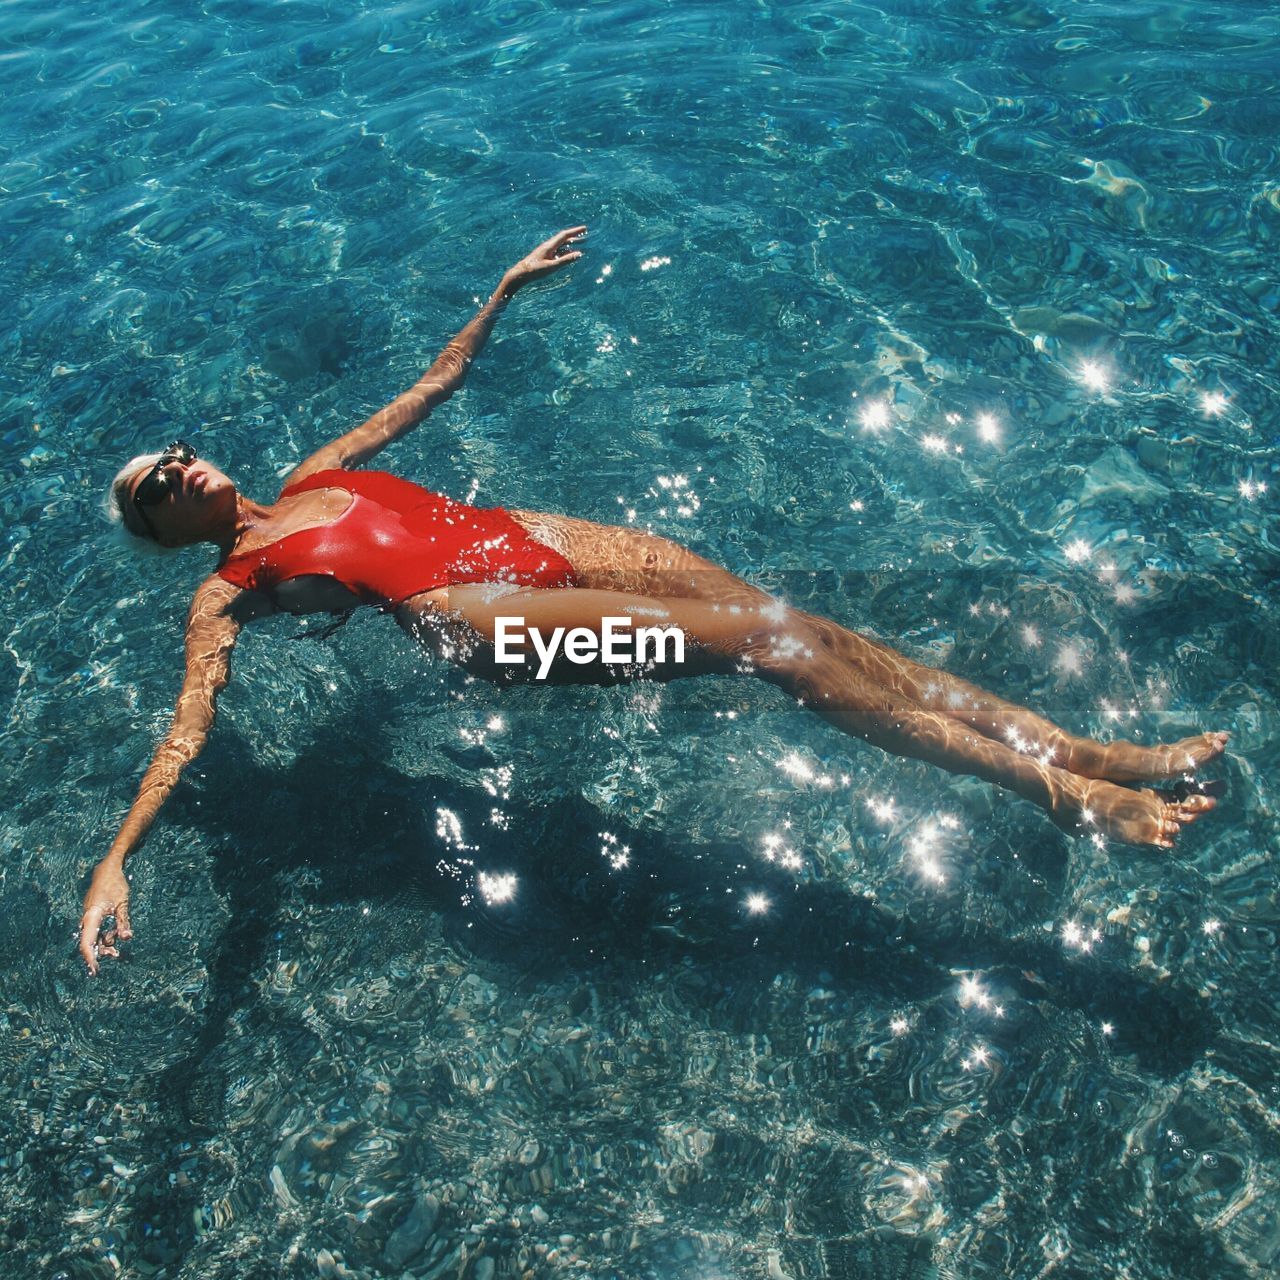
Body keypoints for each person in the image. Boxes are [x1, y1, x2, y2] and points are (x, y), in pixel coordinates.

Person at [79, 226, 1228, 974]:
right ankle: (1055, 792)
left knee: (812, 630)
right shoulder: (224, 595)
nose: (179, 465)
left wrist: (500, 289)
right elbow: (187, 732)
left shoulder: (313, 472)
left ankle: (1076, 747)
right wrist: (117, 855)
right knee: (777, 647)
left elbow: (432, 383)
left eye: (173, 453)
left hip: (535, 537)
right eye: (156, 487)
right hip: (487, 621)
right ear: (160, 532)